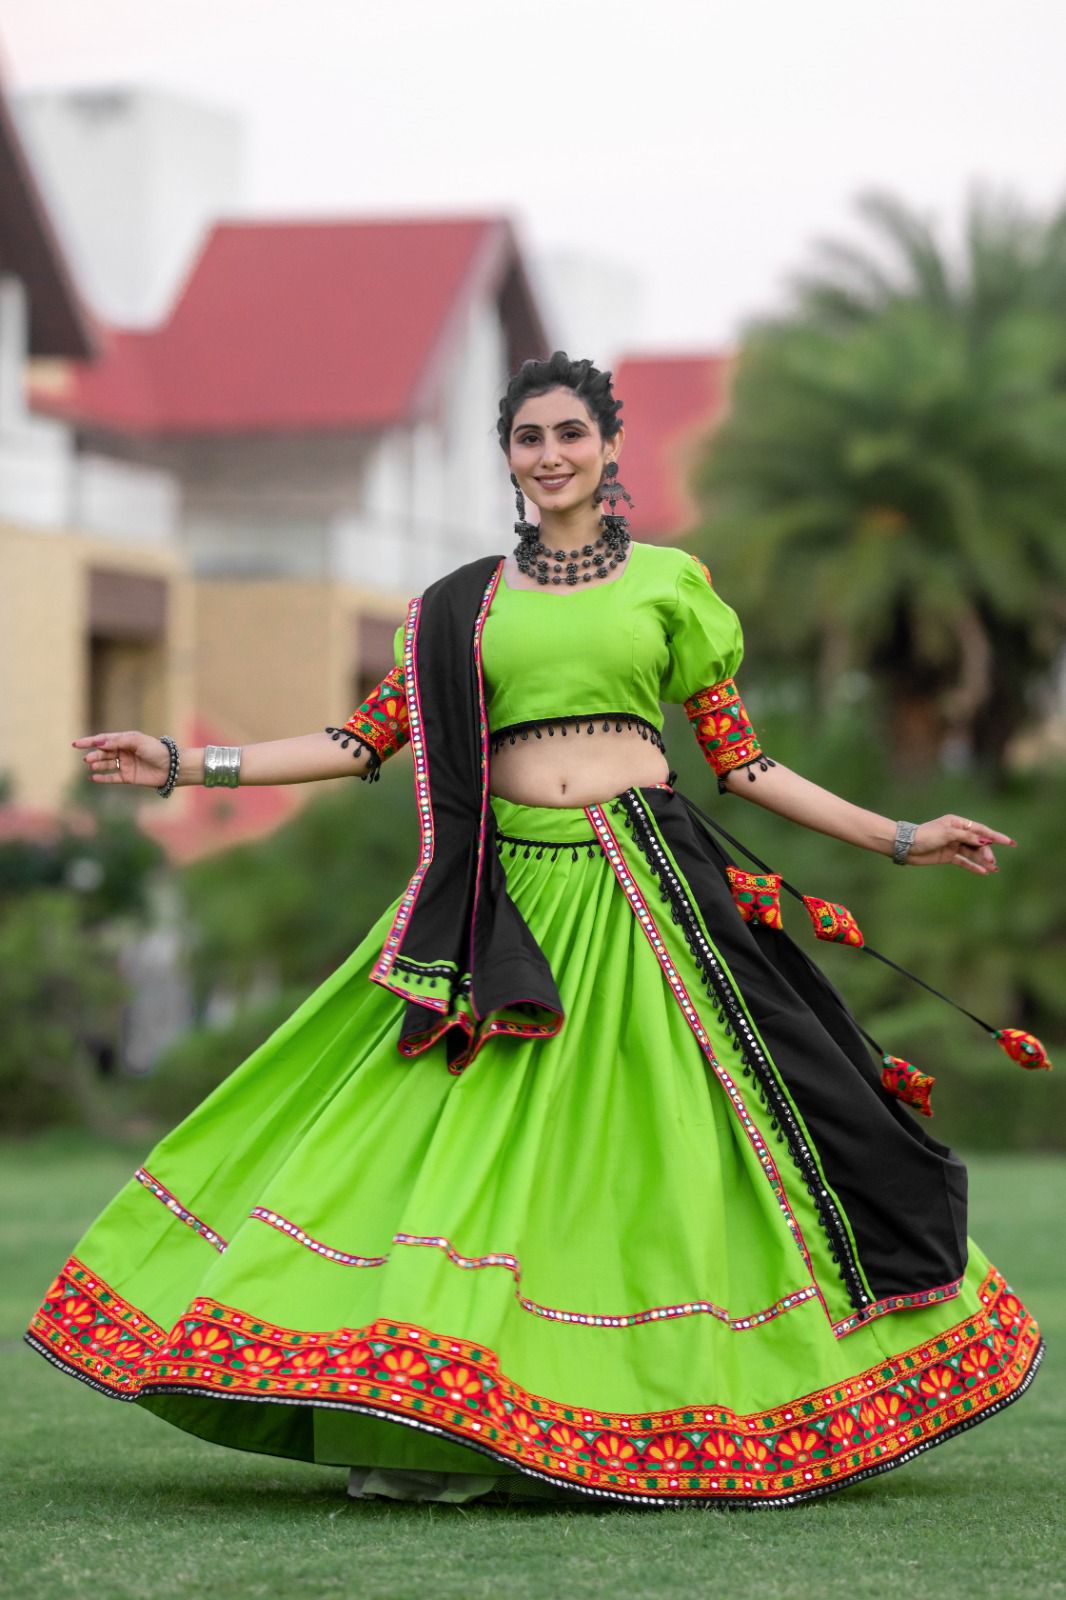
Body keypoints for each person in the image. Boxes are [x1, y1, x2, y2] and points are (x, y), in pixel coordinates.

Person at [26, 351, 1043, 1509]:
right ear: (505, 455)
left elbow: (744, 763)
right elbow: (359, 743)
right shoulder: (459, 605)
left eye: (569, 434)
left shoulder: (670, 583)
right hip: (496, 909)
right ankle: (434, 1418)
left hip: (648, 898)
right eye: (527, 437)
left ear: (607, 447)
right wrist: (182, 761)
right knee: (445, 1145)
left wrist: (901, 835)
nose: (549, 455)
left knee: (680, 1148)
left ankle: (687, 1403)